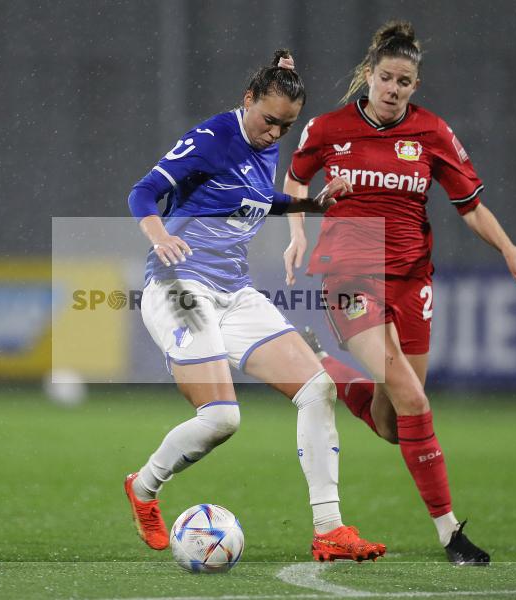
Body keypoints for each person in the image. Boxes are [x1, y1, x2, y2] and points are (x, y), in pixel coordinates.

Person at [282, 21, 516, 566]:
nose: (393, 89)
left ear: (415, 85)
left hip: (412, 281)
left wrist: (511, 251)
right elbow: (295, 180)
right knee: (415, 400)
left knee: (391, 424)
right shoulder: (329, 128)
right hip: (351, 271)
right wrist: (297, 231)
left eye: (405, 82)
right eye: (385, 78)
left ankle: (320, 366)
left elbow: (470, 205)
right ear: (369, 75)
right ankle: (452, 534)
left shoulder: (432, 134)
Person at [124, 51, 386, 562]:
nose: (274, 135)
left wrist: (313, 205)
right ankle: (143, 488)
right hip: (179, 285)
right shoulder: (213, 139)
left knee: (317, 389)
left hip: (234, 291)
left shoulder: (265, 140)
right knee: (222, 418)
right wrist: (158, 236)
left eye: (285, 127)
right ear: (247, 100)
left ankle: (329, 529)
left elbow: (256, 200)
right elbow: (143, 192)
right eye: (268, 121)